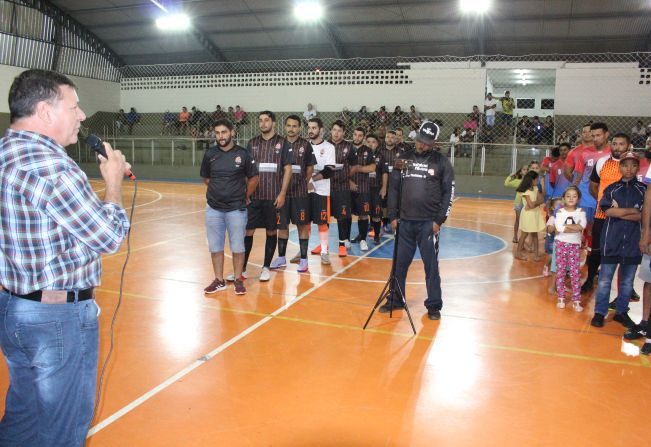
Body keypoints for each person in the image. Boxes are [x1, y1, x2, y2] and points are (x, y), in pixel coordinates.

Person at [0, 69, 131, 446]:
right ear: (45, 111)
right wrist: (114, 185)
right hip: (56, 318)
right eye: (74, 106)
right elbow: (108, 237)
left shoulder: (7, 152)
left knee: (23, 418)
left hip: (15, 309)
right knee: (64, 426)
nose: (82, 115)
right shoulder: (53, 167)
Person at [381, 121, 455, 321]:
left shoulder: (442, 162)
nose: (421, 145)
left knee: (430, 266)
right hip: (404, 222)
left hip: (428, 224)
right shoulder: (403, 158)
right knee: (399, 265)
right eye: (420, 141)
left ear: (434, 142)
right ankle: (396, 299)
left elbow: (449, 192)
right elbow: (394, 187)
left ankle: (433, 305)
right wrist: (393, 215)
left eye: (426, 143)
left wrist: (439, 220)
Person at [201, 119, 258, 295]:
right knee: (215, 247)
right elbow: (206, 178)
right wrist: (219, 191)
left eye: (224, 132)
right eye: (217, 133)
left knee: (238, 246)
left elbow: (254, 178)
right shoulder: (210, 154)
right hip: (214, 209)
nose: (221, 136)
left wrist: (244, 195)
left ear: (232, 132)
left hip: (236, 209)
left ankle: (238, 280)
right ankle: (219, 280)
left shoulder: (243, 154)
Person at [590, 151, 646, 329]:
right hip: (610, 241)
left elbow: (644, 217)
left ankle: (621, 312)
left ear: (638, 167)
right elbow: (608, 211)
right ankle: (600, 312)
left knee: (628, 281)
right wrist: (633, 211)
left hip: (632, 243)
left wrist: (621, 212)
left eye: (633, 165)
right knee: (605, 279)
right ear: (619, 167)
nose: (629, 169)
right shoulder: (611, 189)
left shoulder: (644, 190)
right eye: (625, 165)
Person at [236, 111, 291, 282]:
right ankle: (242, 269)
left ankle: (266, 267)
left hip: (273, 196)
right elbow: (246, 170)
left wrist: (282, 193)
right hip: (254, 197)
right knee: (248, 230)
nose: (263, 123)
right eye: (260, 120)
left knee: (271, 230)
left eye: (266, 120)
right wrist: (246, 193)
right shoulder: (252, 143)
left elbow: (288, 169)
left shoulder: (282, 143)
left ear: (273, 123)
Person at [271, 115, 316, 273]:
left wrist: (303, 182)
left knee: (302, 225)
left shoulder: (305, 145)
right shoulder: (278, 144)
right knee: (282, 225)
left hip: (299, 194)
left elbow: (310, 167)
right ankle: (281, 258)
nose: (291, 129)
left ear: (299, 128)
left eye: (294, 126)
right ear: (284, 127)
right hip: (282, 194)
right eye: (289, 125)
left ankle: (304, 260)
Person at [312, 120, 357, 258]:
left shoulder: (349, 147)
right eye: (334, 130)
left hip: (342, 188)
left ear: (344, 133)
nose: (336, 133)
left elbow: (354, 166)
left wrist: (347, 177)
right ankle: (322, 244)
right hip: (326, 187)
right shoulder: (324, 145)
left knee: (341, 217)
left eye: (339, 130)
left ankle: (342, 245)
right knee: (324, 216)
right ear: (330, 130)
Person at [306, 117, 336, 265]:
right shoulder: (304, 146)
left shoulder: (329, 147)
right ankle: (303, 250)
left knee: (322, 222)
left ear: (321, 130)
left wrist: (311, 180)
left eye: (314, 128)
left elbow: (329, 171)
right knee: (304, 221)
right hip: (305, 191)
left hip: (322, 191)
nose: (311, 130)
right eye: (309, 128)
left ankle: (324, 251)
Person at [554, 186, 587, 311]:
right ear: (563, 198)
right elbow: (559, 228)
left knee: (575, 273)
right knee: (561, 271)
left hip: (574, 245)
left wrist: (567, 226)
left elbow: (582, 226)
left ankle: (576, 300)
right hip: (561, 244)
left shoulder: (581, 211)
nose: (571, 198)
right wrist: (575, 226)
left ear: (578, 198)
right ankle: (561, 297)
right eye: (568, 196)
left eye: (574, 196)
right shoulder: (560, 212)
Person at [349, 127, 376, 251]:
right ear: (352, 135)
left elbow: (372, 167)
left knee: (363, 215)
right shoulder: (347, 148)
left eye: (360, 135)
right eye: (355, 134)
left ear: (363, 137)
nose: (357, 137)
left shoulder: (368, 150)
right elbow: (343, 169)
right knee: (346, 215)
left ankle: (363, 239)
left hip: (364, 188)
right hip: (347, 187)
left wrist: (358, 168)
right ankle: (345, 240)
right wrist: (349, 182)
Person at [515, 171, 546, 260]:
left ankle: (536, 255)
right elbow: (532, 204)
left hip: (534, 214)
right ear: (532, 180)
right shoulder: (525, 191)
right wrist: (535, 203)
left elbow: (541, 200)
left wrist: (533, 204)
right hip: (528, 215)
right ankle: (518, 253)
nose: (538, 180)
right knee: (524, 234)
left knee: (535, 235)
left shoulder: (536, 188)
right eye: (537, 179)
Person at [504, 165, 529, 243]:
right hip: (519, 202)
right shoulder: (518, 181)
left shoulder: (531, 181)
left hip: (528, 203)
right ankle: (515, 236)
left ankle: (523, 238)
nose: (526, 171)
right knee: (518, 220)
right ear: (521, 172)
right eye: (524, 169)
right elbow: (506, 184)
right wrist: (510, 176)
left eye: (527, 169)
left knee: (526, 221)